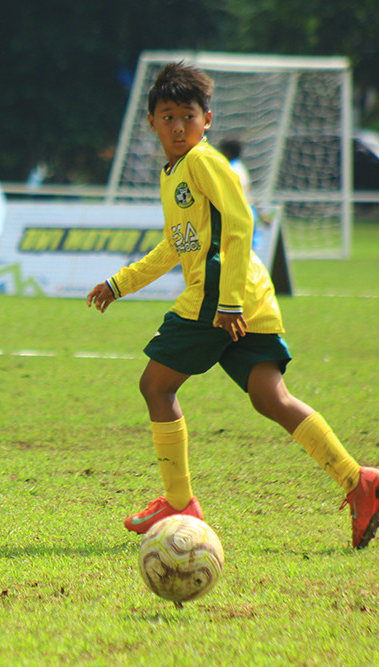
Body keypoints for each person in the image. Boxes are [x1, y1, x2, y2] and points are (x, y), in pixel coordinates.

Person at [86, 61, 379, 549]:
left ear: (208, 120)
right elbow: (176, 245)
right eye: (167, 116)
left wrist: (227, 304)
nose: (178, 125)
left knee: (155, 386)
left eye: (187, 115)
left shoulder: (202, 161)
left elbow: (240, 224)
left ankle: (179, 501)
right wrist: (121, 283)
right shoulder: (174, 172)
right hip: (249, 301)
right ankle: (360, 482)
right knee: (271, 398)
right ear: (152, 123)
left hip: (220, 301)